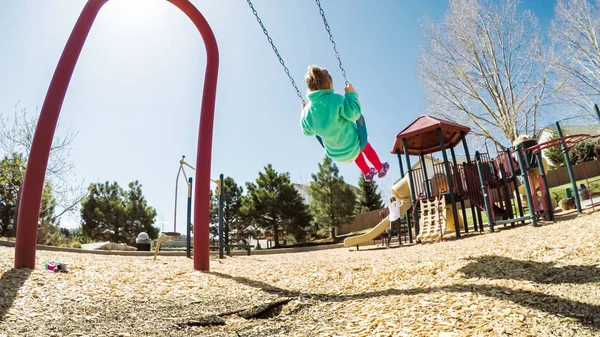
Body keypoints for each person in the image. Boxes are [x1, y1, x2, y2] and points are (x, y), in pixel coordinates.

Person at [300, 65, 389, 181]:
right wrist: (351, 95)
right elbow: (355, 114)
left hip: (335, 154)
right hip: (354, 145)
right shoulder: (336, 100)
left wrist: (303, 112)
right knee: (364, 146)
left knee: (356, 153)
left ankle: (367, 172)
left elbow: (307, 132)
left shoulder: (307, 113)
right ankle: (380, 168)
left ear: (310, 89)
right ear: (330, 85)